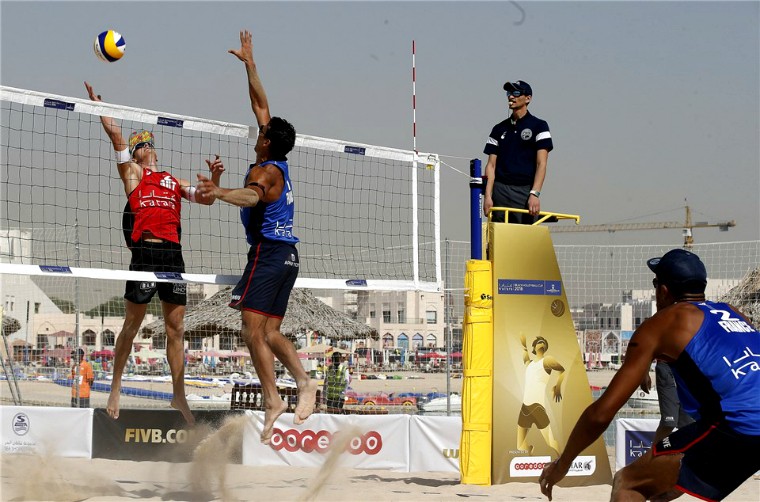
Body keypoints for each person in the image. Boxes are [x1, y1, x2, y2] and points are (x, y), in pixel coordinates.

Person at [539, 249, 760, 502]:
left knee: (628, 484)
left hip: (739, 426)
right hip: (741, 425)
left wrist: (563, 465)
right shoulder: (733, 313)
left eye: (655, 284)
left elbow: (601, 413)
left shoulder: (663, 322)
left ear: (663, 290)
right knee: (660, 488)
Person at [195, 30, 317, 444]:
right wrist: (250, 63)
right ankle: (301, 383)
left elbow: (251, 197)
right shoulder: (275, 156)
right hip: (288, 256)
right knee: (268, 333)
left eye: (260, 132)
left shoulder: (263, 171)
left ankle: (273, 399)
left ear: (266, 141)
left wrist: (219, 191)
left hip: (268, 253)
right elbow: (261, 104)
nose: (257, 131)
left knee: (251, 331)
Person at [84, 81, 225, 425]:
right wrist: (101, 110)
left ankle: (178, 394)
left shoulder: (172, 181)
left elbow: (205, 198)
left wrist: (214, 180)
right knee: (131, 324)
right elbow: (117, 138)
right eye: (141, 143)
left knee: (176, 328)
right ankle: (116, 387)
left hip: (173, 255)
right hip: (144, 253)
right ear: (136, 154)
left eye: (148, 142)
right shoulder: (133, 175)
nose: (147, 145)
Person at [483, 80, 553, 224]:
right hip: (500, 191)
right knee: (498, 240)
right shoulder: (498, 128)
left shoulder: (539, 126)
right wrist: (488, 196)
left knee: (523, 240)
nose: (511, 97)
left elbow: (542, 163)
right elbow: (491, 165)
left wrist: (535, 194)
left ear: (528, 98)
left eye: (516, 93)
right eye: (509, 93)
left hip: (524, 191)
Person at [517, 334, 565, 456]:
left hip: (537, 407)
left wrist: (557, 387)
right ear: (534, 347)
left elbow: (561, 371)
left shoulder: (547, 360)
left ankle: (562, 461)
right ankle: (531, 454)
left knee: (550, 442)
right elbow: (526, 357)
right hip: (525, 408)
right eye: (539, 341)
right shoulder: (530, 364)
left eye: (543, 341)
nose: (541, 342)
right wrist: (524, 346)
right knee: (520, 446)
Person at [640, 359, 694, 443]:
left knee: (687, 424)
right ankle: (654, 453)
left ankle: (685, 454)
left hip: (689, 368)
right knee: (669, 423)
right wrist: (645, 372)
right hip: (666, 366)